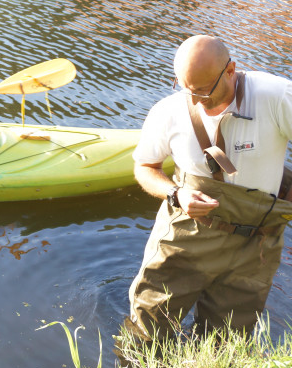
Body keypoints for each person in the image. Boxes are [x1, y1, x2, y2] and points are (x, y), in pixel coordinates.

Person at [125, 34, 292, 344]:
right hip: (188, 238)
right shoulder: (168, 111)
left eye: (203, 89)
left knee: (227, 341)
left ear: (230, 70)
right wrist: (177, 194)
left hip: (256, 245)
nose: (195, 99)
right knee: (146, 332)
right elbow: (145, 168)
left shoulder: (276, 96)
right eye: (186, 88)